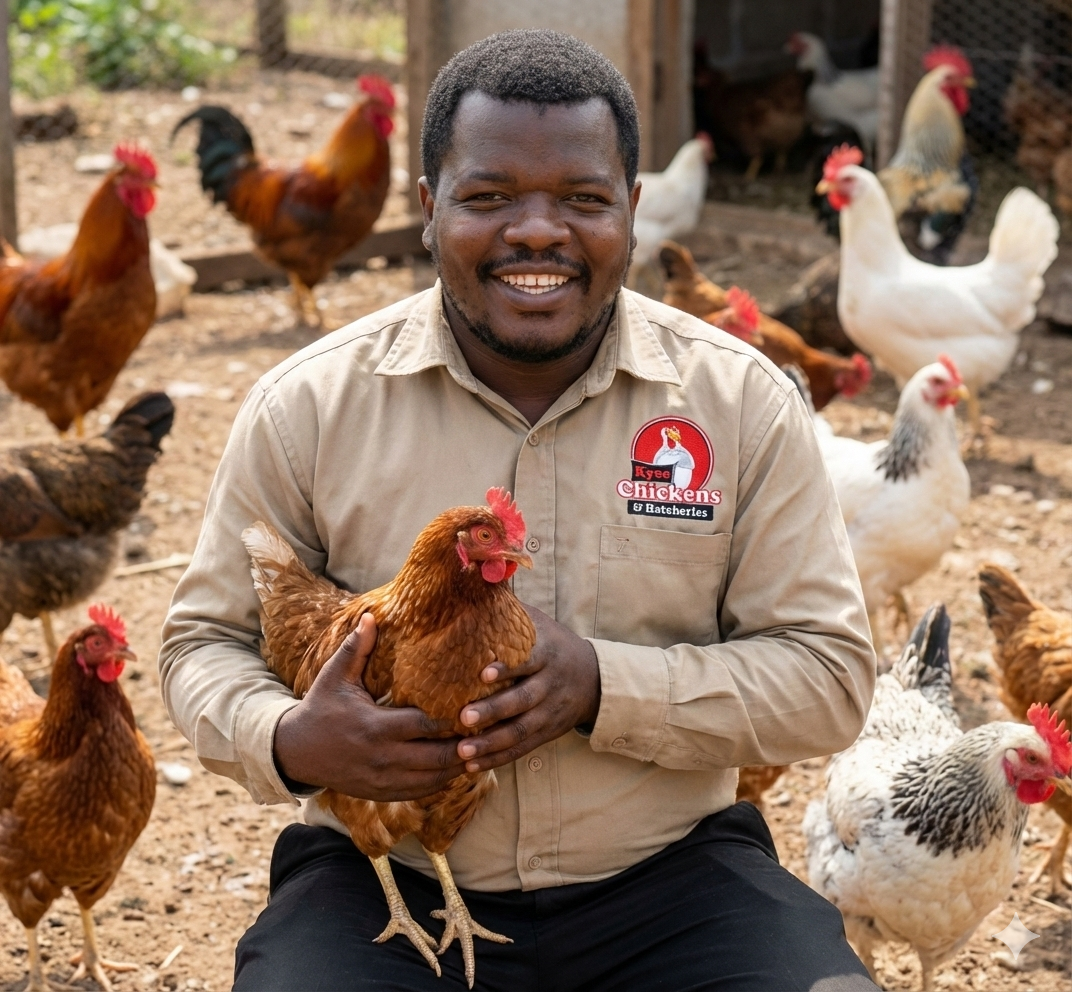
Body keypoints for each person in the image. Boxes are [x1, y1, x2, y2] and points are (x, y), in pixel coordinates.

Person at [160, 29, 878, 992]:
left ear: (631, 210)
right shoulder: (310, 408)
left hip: (672, 877)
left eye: (583, 200)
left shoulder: (740, 404)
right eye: (489, 197)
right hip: (386, 877)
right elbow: (201, 643)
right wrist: (289, 740)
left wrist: (603, 688)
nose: (537, 233)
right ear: (428, 211)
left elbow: (829, 676)